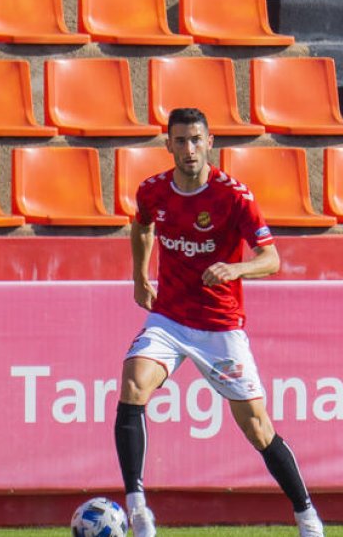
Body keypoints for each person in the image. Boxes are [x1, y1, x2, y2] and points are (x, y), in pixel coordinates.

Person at [114, 107, 324, 537]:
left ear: (210, 143)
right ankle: (138, 509)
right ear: (168, 144)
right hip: (170, 317)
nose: (189, 149)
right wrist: (140, 276)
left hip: (220, 326)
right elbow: (142, 227)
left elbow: (272, 258)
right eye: (180, 140)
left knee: (258, 428)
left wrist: (235, 269)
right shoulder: (152, 191)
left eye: (196, 140)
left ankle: (307, 516)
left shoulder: (233, 196)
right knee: (133, 381)